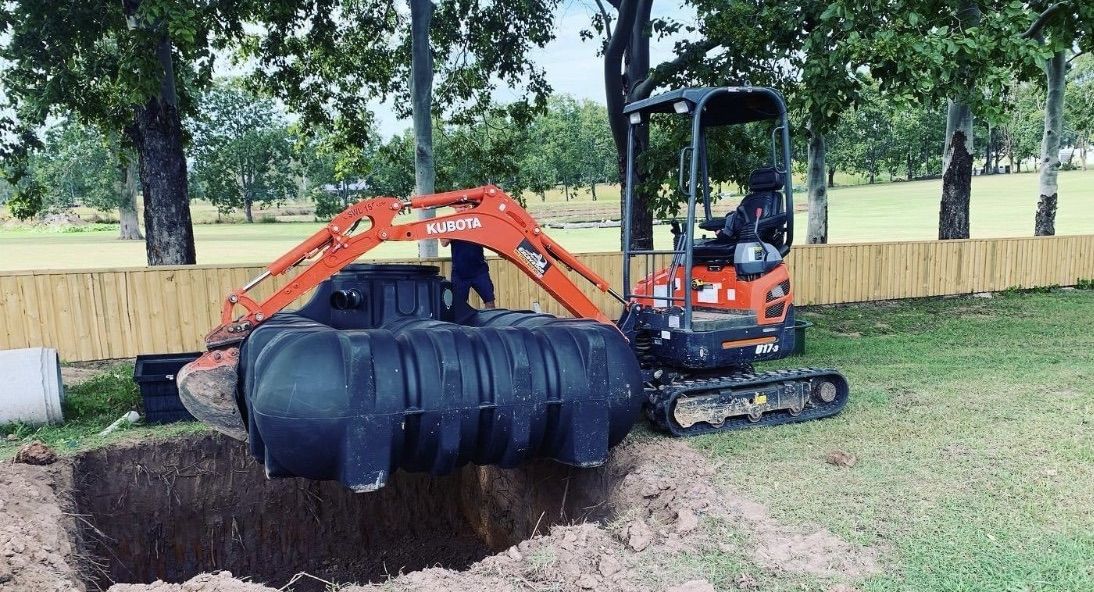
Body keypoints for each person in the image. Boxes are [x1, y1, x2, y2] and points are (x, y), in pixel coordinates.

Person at [440, 238, 496, 310]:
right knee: (458, 306)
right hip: (459, 273)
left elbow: (489, 238)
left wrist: (501, 252)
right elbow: (444, 243)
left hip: (480, 271)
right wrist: (452, 233)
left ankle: (492, 317)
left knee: (490, 301)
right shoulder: (450, 229)